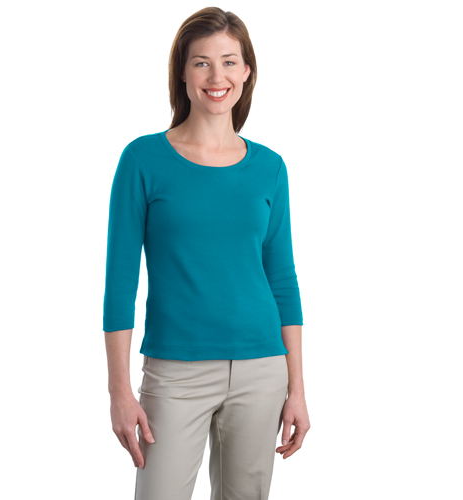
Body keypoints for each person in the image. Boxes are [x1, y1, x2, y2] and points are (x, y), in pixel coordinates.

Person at [103, 7, 310, 500]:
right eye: (202, 63)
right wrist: (119, 392)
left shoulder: (270, 167)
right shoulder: (142, 159)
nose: (217, 77)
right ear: (182, 72)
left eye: (229, 62)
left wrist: (297, 388)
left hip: (262, 369)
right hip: (175, 371)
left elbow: (282, 279)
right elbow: (119, 283)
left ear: (247, 71)